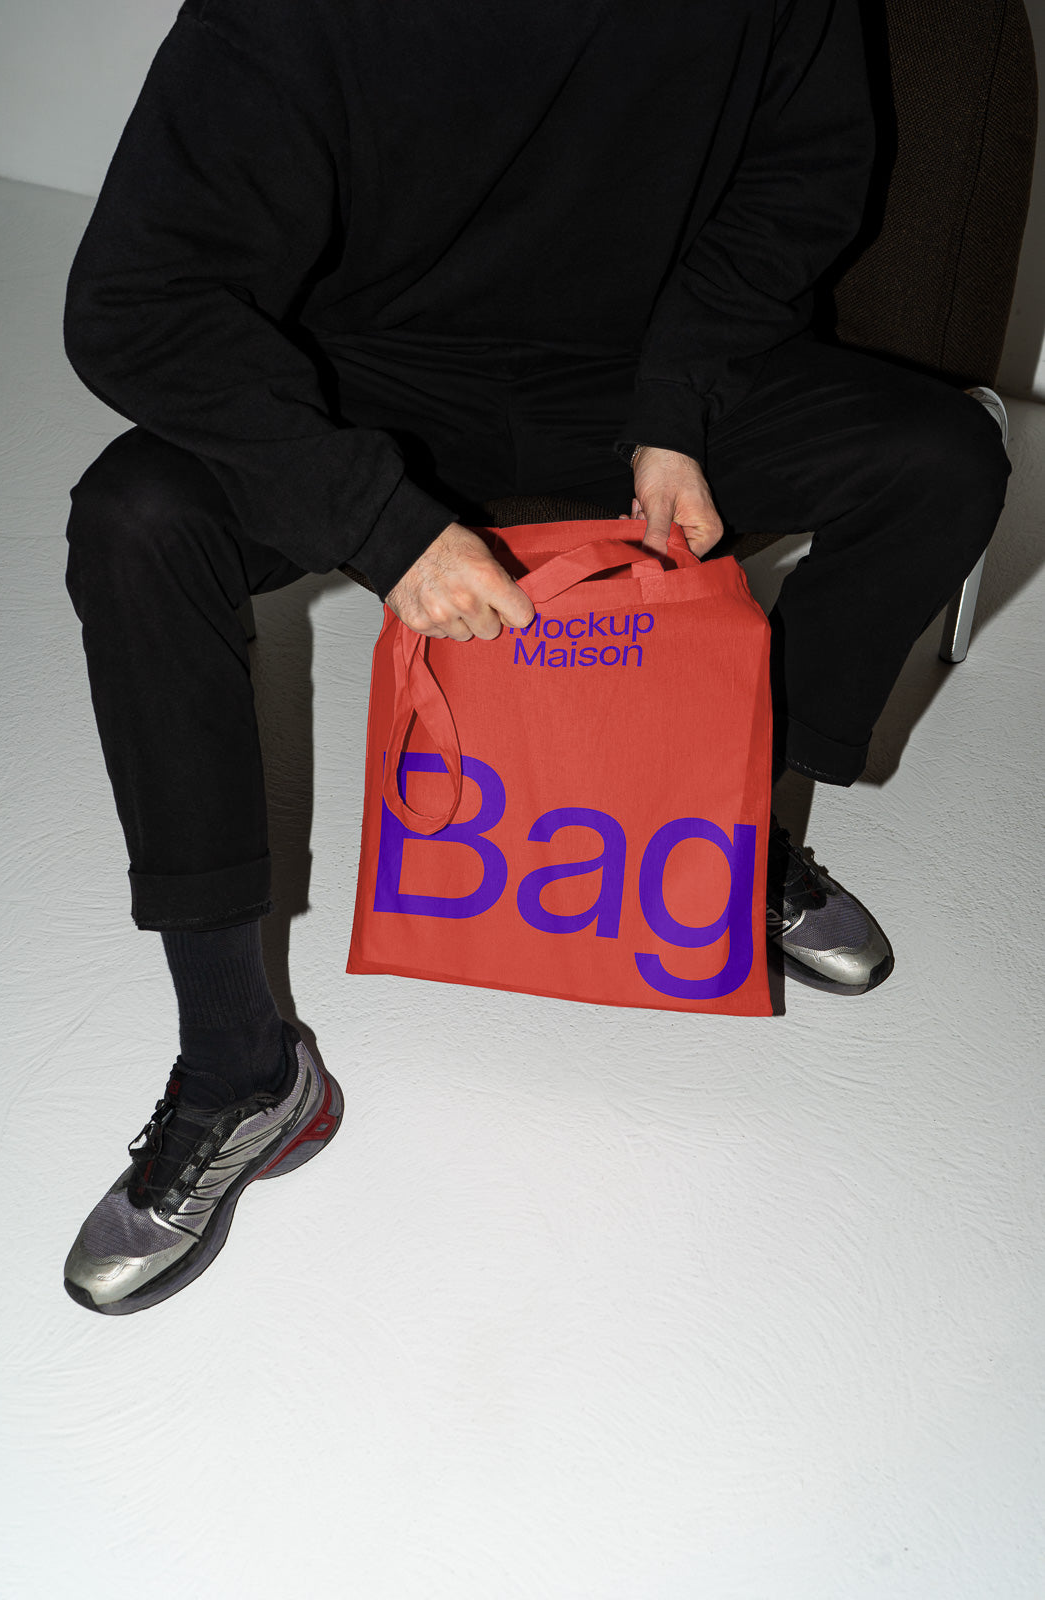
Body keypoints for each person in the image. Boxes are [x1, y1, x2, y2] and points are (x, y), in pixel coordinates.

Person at [60, 0, 1010, 1315]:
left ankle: (735, 844)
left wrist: (678, 404)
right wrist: (381, 525)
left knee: (939, 462)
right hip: (366, 386)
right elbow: (137, 301)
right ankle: (240, 1068)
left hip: (633, 384)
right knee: (138, 521)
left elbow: (805, 177)